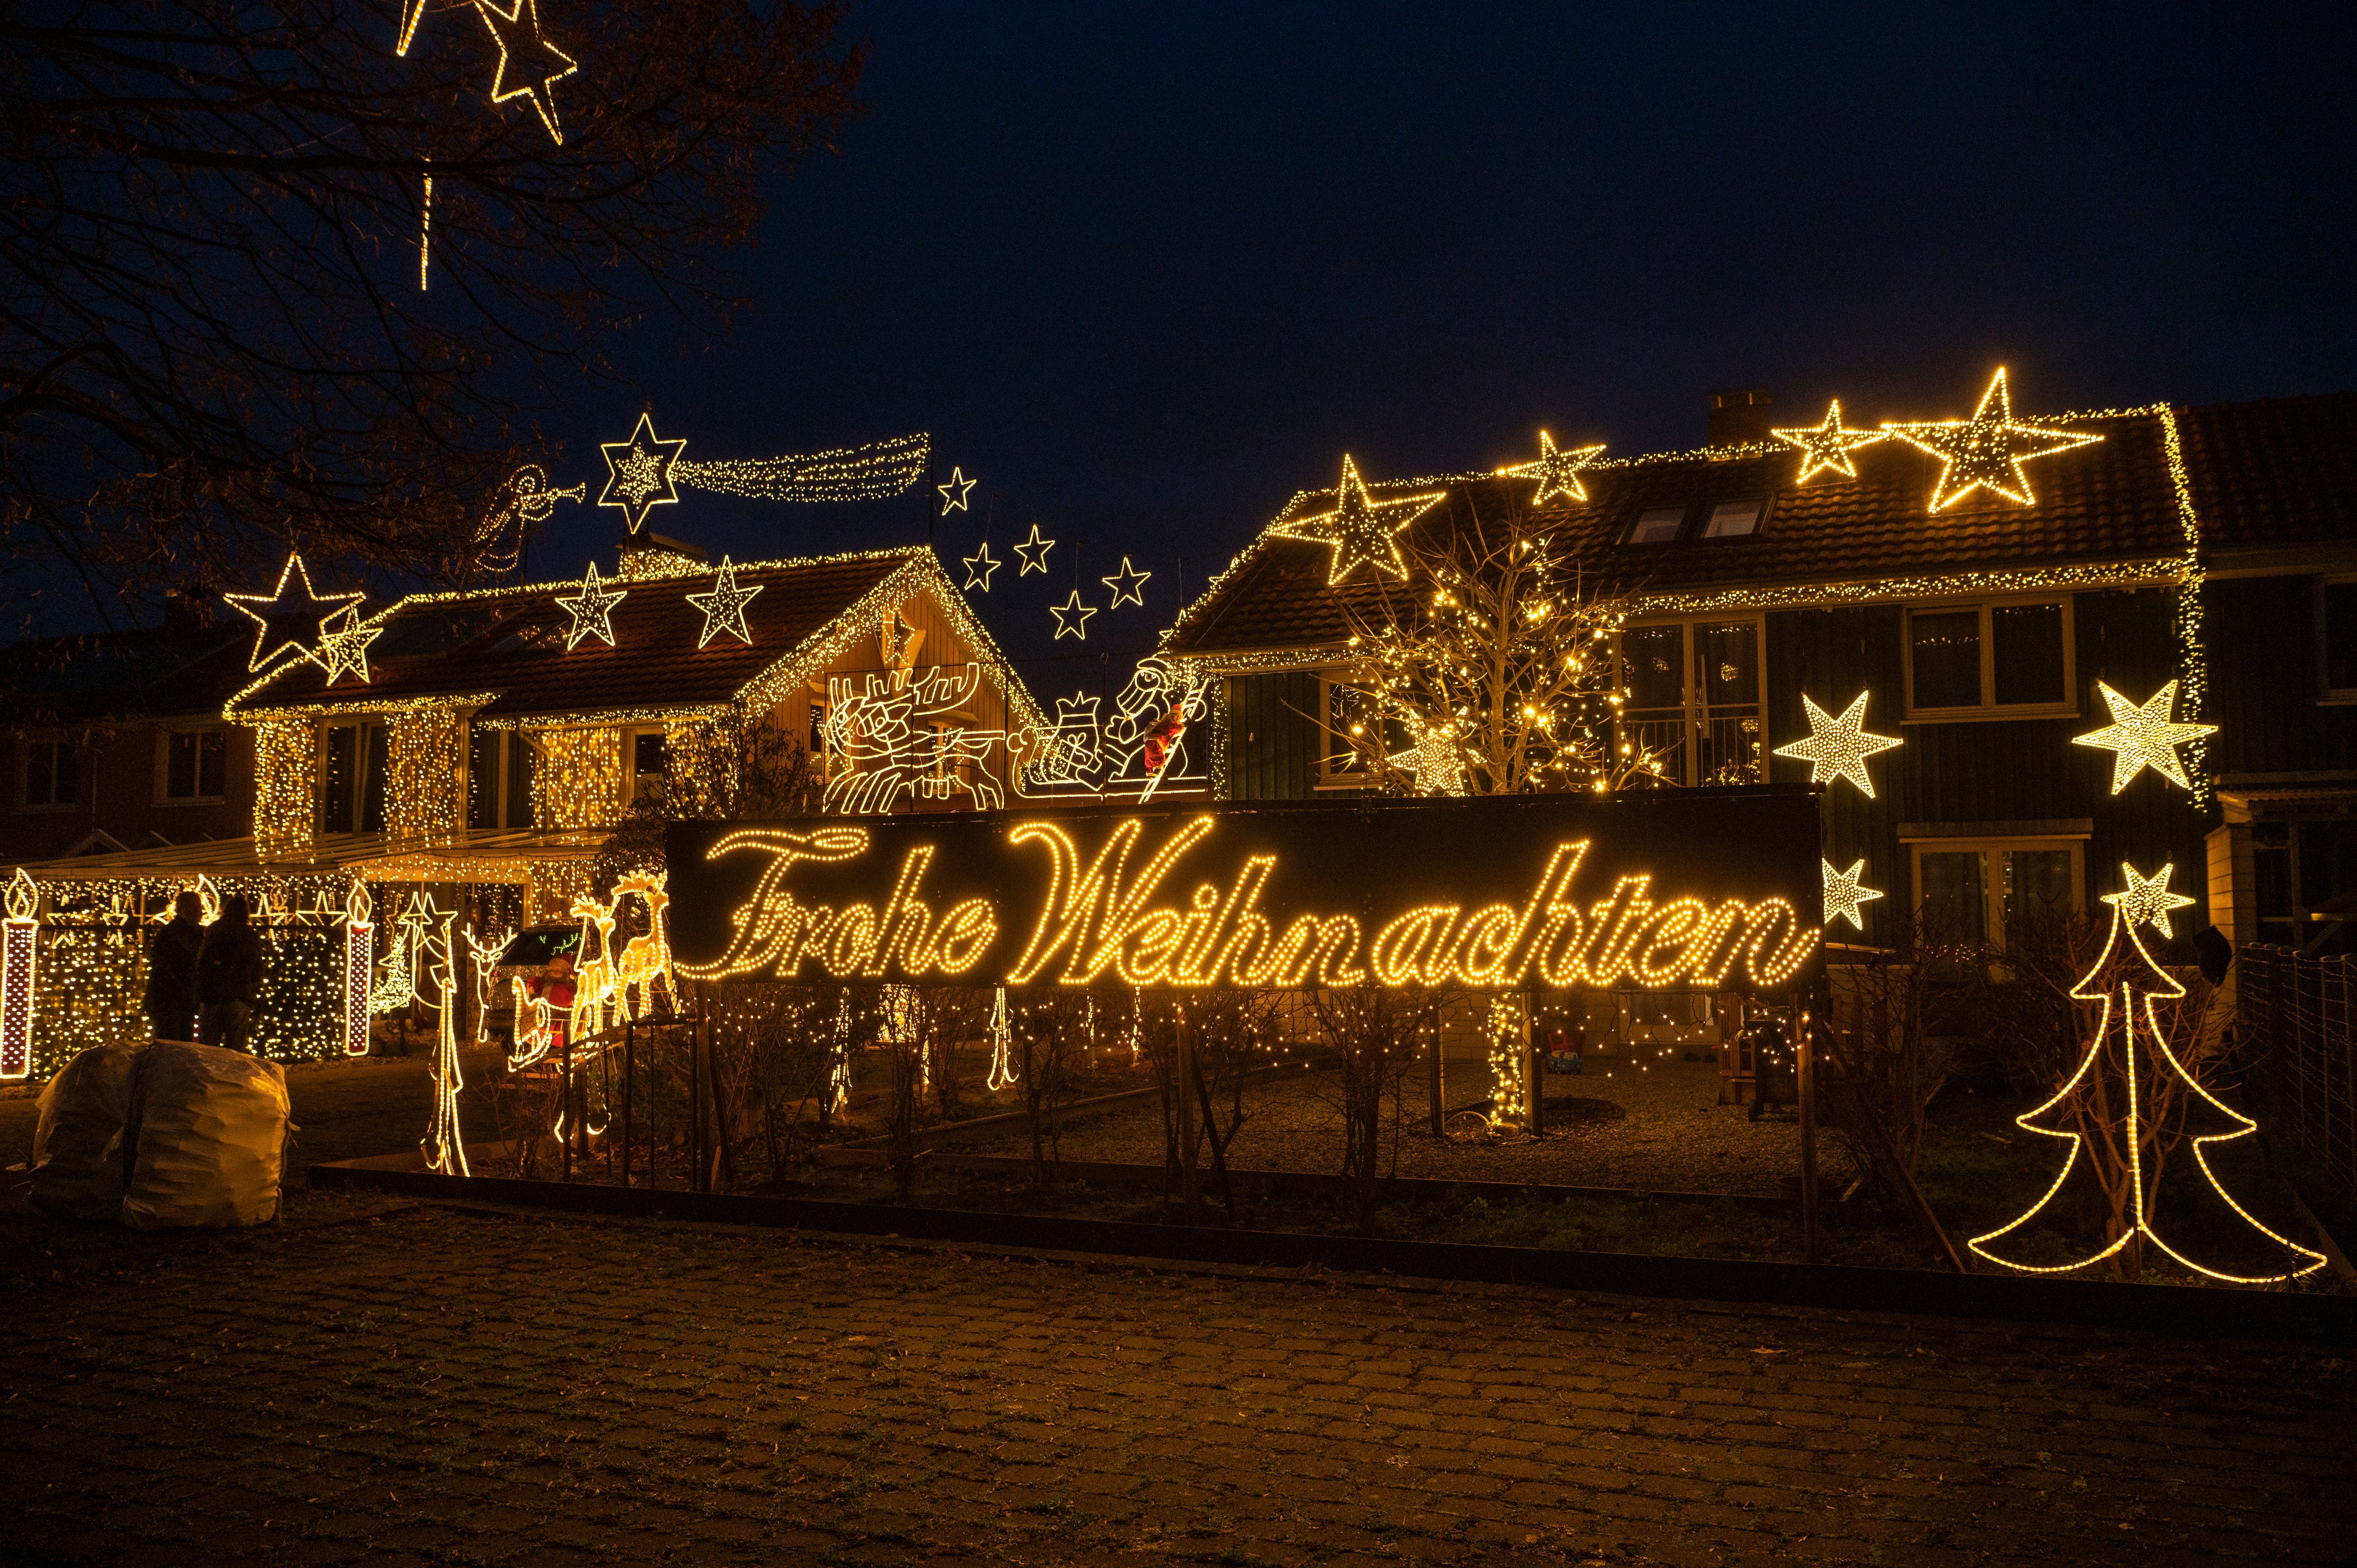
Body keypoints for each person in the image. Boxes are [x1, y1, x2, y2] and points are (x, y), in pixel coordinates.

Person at [196, 893, 265, 1053]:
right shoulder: (249, 934)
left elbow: (202, 962)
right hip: (239, 995)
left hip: (212, 996)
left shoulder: (214, 930)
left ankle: (209, 1076)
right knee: (236, 1047)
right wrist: (252, 989)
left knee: (209, 1047)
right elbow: (257, 966)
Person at [143, 890, 205, 1042]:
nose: (200, 911)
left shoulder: (170, 932)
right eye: (196, 907)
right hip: (174, 998)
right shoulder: (183, 934)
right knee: (176, 1041)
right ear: (183, 910)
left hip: (172, 998)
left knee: (171, 1040)